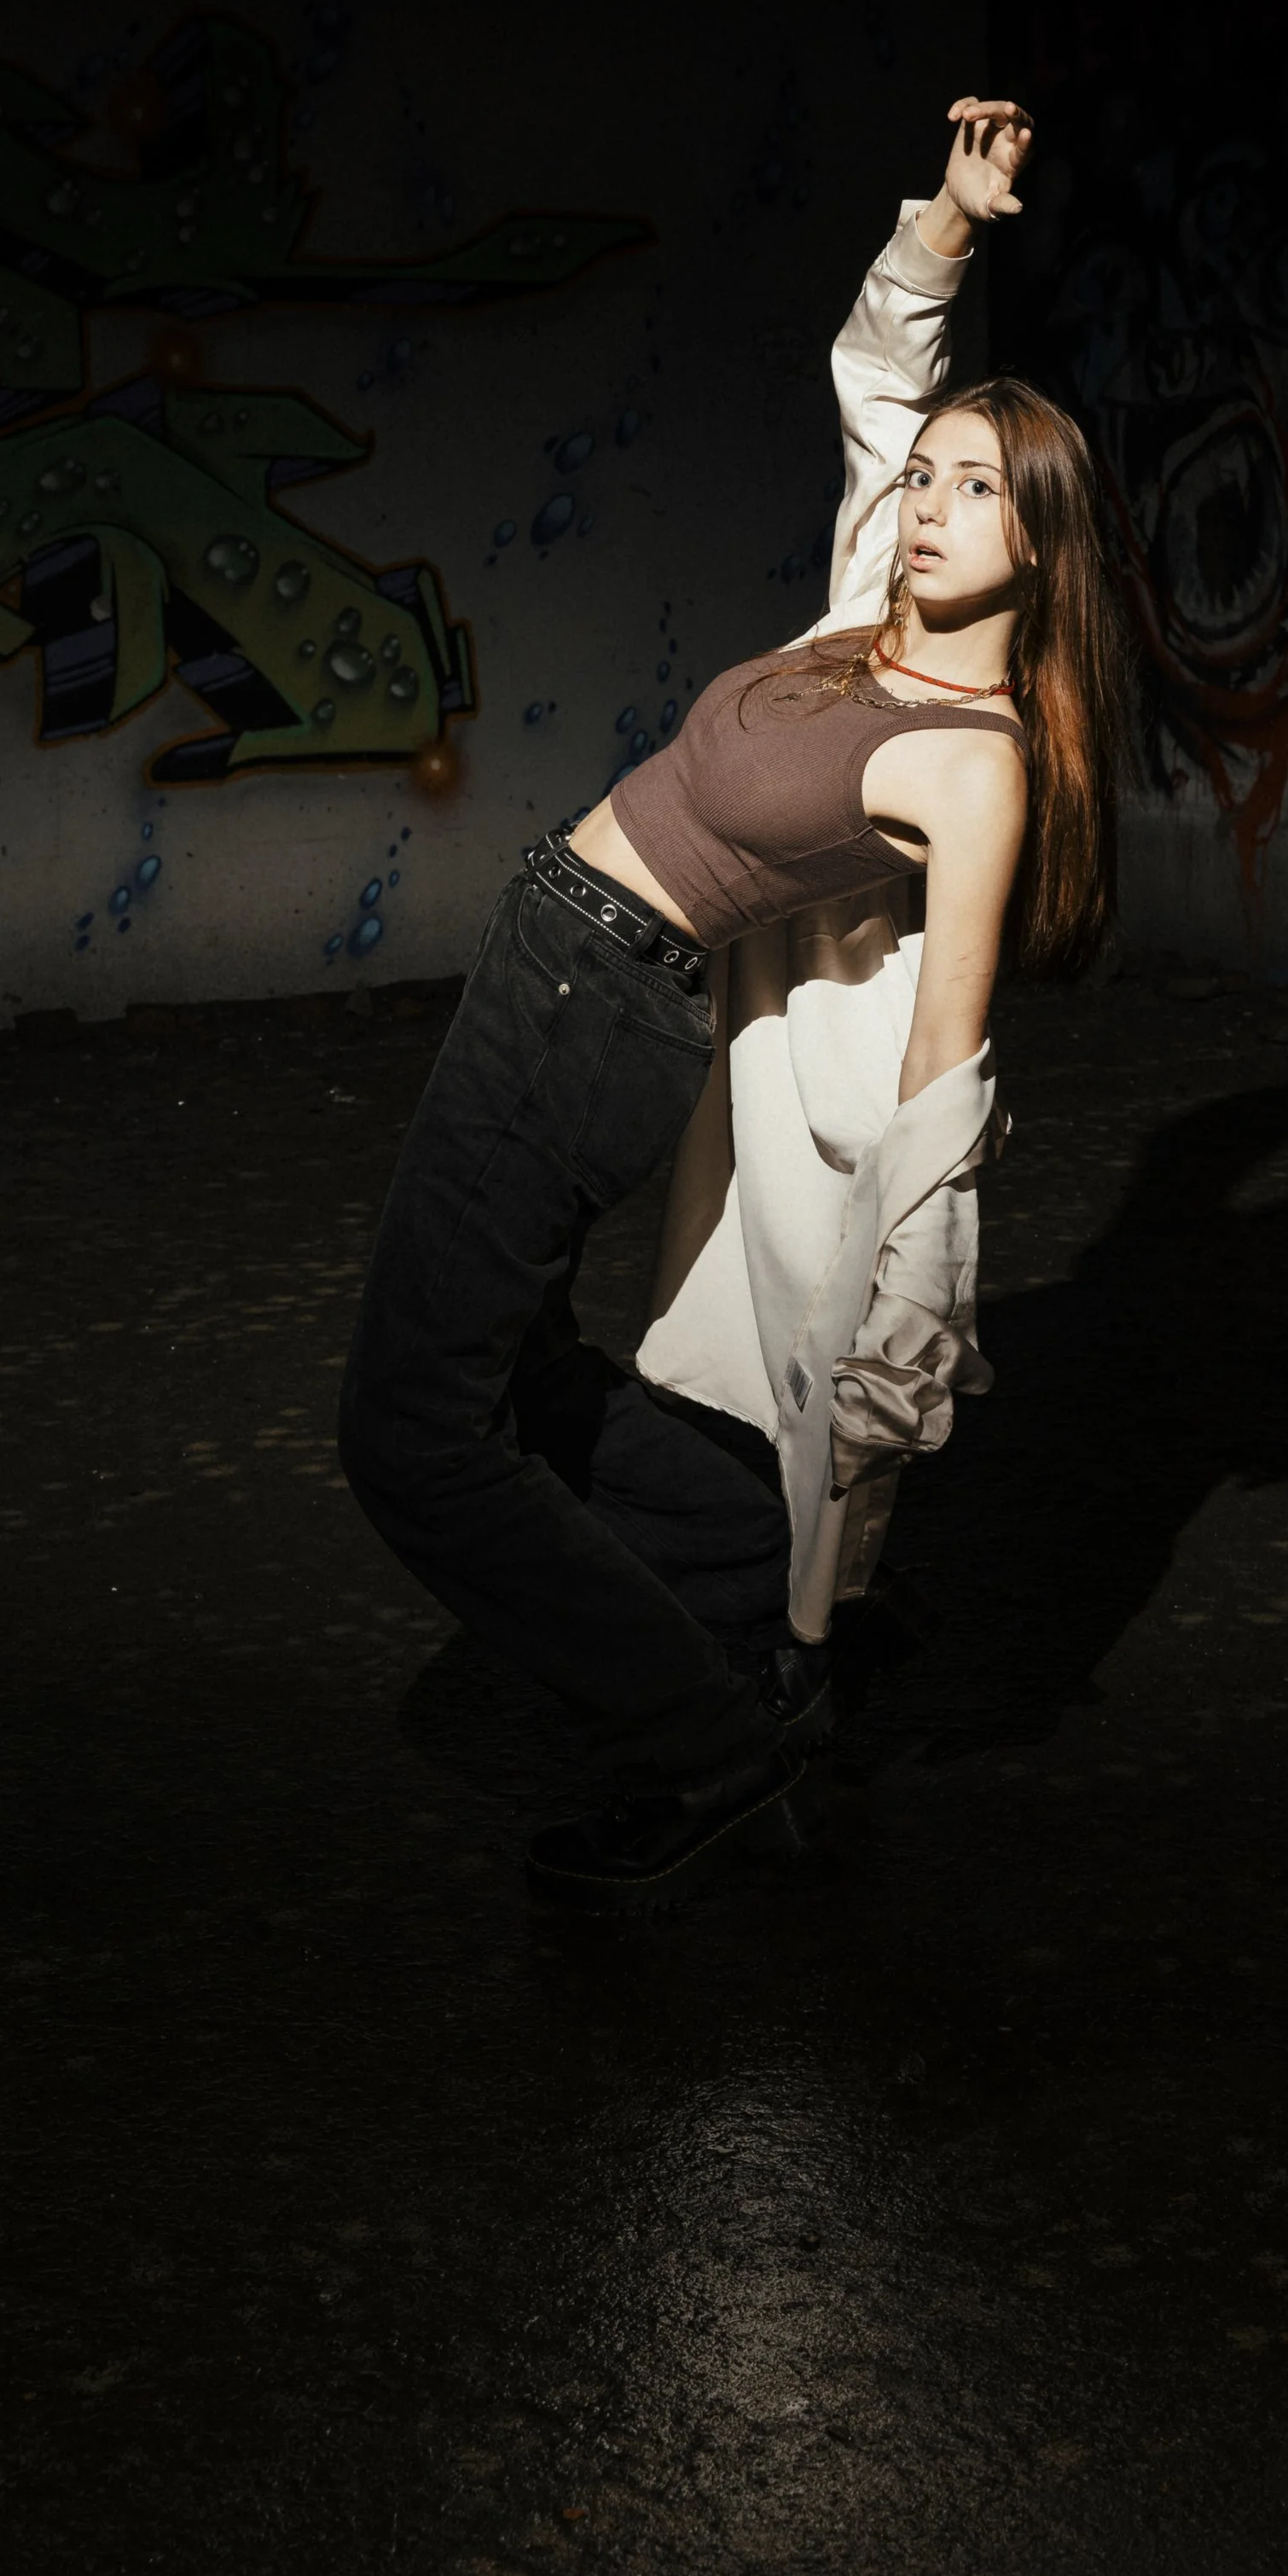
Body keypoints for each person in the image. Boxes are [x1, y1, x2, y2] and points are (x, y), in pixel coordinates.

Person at [339, 97, 1128, 1910]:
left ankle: (699, 1739)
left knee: (408, 1436)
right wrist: (946, 220)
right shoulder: (869, 625)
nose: (926, 507)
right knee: (513, 1379)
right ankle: (744, 1580)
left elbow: (948, 1052)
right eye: (921, 479)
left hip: (592, 1001)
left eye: (973, 488)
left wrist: (915, 1314)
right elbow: (875, 369)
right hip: (554, 962)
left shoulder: (976, 760)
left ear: (1047, 541)